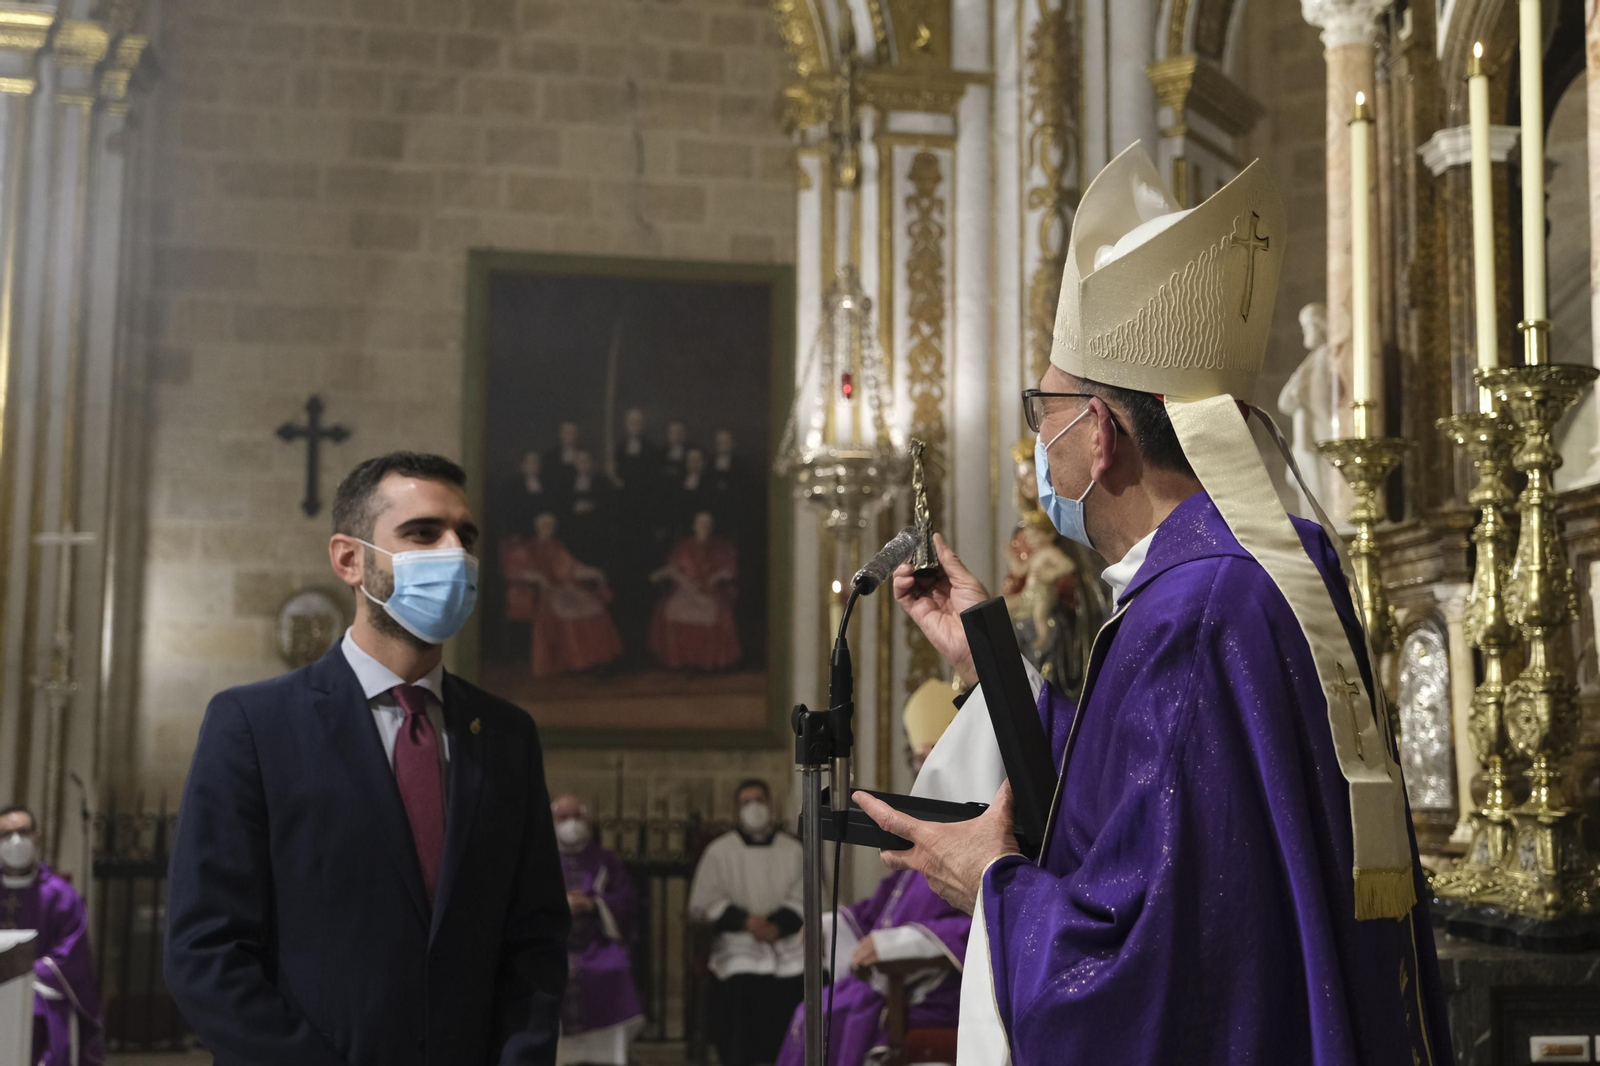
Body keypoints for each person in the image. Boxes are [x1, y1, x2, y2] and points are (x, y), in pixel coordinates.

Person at [854, 146, 1451, 1065]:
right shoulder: (1253, 574)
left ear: (1098, 434)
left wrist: (993, 885)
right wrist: (986, 659)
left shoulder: (1193, 615)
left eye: (1043, 411)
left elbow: (1141, 965)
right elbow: (1139, 798)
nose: (1038, 445)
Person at [165, 452, 570, 1066]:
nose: (454, 553)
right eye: (423, 533)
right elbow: (205, 951)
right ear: (349, 559)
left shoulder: (506, 735)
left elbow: (535, 938)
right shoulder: (255, 725)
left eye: (465, 536)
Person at [774, 692, 970, 1066]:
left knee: (832, 1016)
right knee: (812, 1011)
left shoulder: (974, 824)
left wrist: (894, 944)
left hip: (937, 989)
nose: (925, 766)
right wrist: (830, 923)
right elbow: (883, 904)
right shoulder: (926, 823)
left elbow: (983, 920)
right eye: (919, 757)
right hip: (897, 981)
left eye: (933, 754)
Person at [687, 780, 804, 1066]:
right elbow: (705, 901)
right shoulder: (719, 851)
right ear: (736, 809)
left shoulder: (793, 850)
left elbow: (807, 897)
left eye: (759, 800)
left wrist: (777, 925)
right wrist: (746, 922)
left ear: (770, 804)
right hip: (738, 938)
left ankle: (795, 1057)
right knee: (740, 978)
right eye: (746, 802)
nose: (754, 808)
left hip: (786, 938)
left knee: (807, 975)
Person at [0, 805, 104, 1066]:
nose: (15, 841)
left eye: (23, 832)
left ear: (37, 836)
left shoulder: (60, 894)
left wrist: (23, 974)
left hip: (42, 994)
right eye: (6, 834)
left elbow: (73, 953)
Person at [552, 796, 643, 1066]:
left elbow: (627, 900)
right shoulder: (540, 858)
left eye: (577, 816)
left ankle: (608, 1058)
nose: (571, 823)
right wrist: (560, 906)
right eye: (563, 818)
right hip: (554, 946)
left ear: (588, 821)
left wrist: (593, 904)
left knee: (614, 969)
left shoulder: (605, 859)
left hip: (596, 943)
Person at [513, 513, 623, 678]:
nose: (548, 529)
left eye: (551, 526)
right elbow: (519, 570)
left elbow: (572, 568)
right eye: (545, 526)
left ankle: (590, 660)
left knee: (594, 606)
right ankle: (571, 662)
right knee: (567, 609)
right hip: (547, 592)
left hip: (564, 586)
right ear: (537, 527)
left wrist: (594, 572)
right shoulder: (529, 547)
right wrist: (540, 578)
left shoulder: (557, 546)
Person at [648, 511, 740, 671]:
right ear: (694, 525)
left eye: (708, 524)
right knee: (672, 608)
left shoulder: (721, 546)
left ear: (712, 526)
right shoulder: (683, 545)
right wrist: (672, 577)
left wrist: (715, 578)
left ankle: (706, 661)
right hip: (685, 587)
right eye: (700, 523)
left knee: (711, 610)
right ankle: (681, 659)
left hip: (710, 590)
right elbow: (674, 568)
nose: (704, 527)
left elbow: (729, 571)